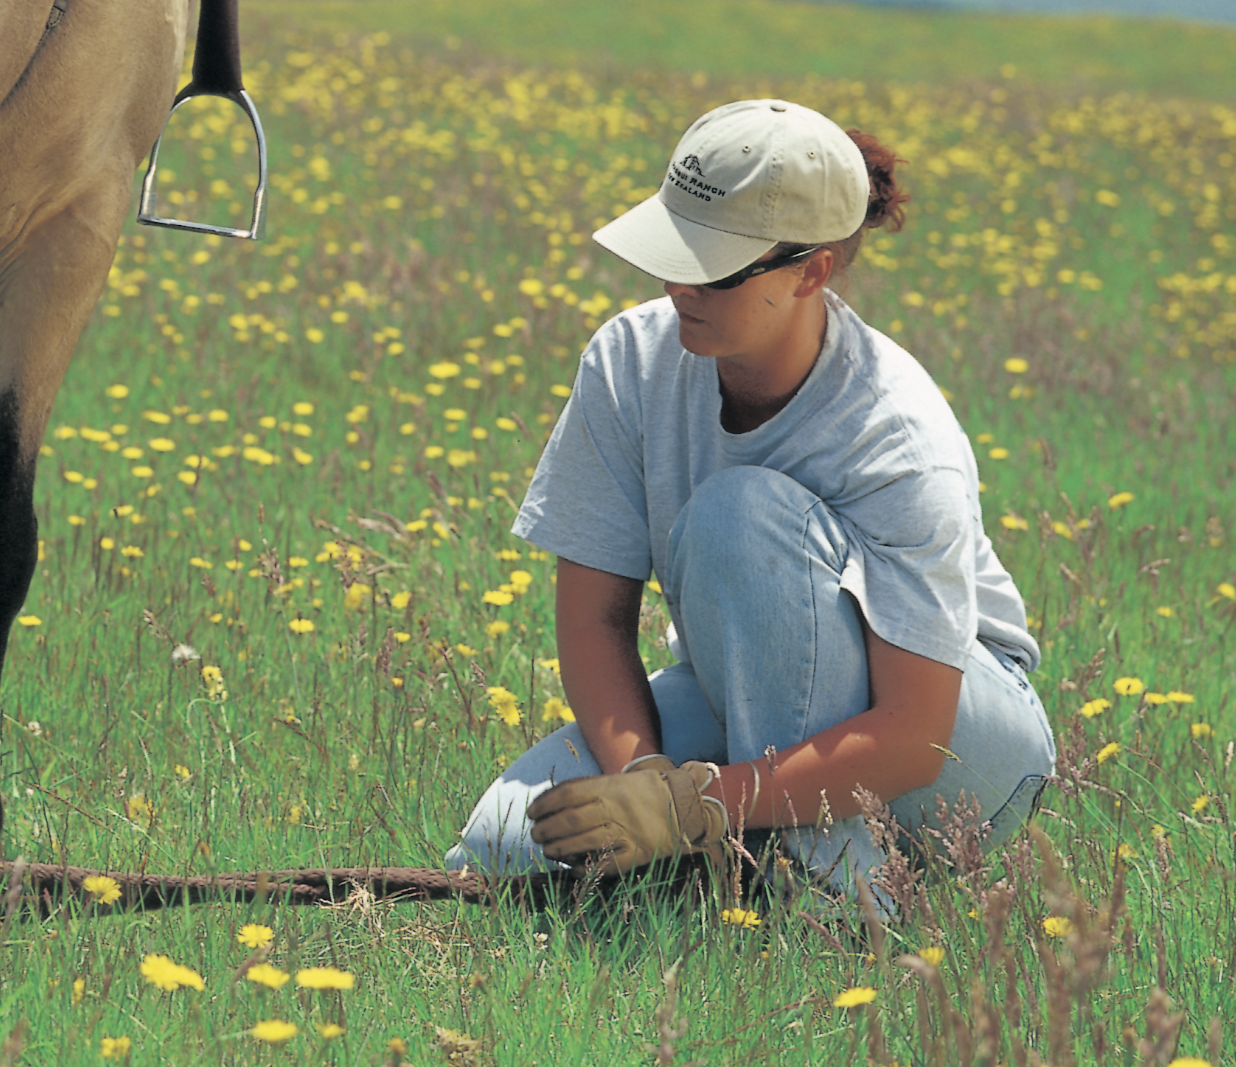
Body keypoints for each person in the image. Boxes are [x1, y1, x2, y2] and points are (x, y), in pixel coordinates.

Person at [449, 99, 1054, 896]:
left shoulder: (896, 432)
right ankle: (750, 869)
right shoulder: (629, 362)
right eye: (672, 248)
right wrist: (648, 783)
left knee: (741, 516)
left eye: (715, 265)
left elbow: (915, 733)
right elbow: (595, 616)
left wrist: (698, 808)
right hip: (742, 681)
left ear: (812, 271)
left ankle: (833, 902)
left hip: (961, 747)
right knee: (503, 850)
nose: (676, 283)